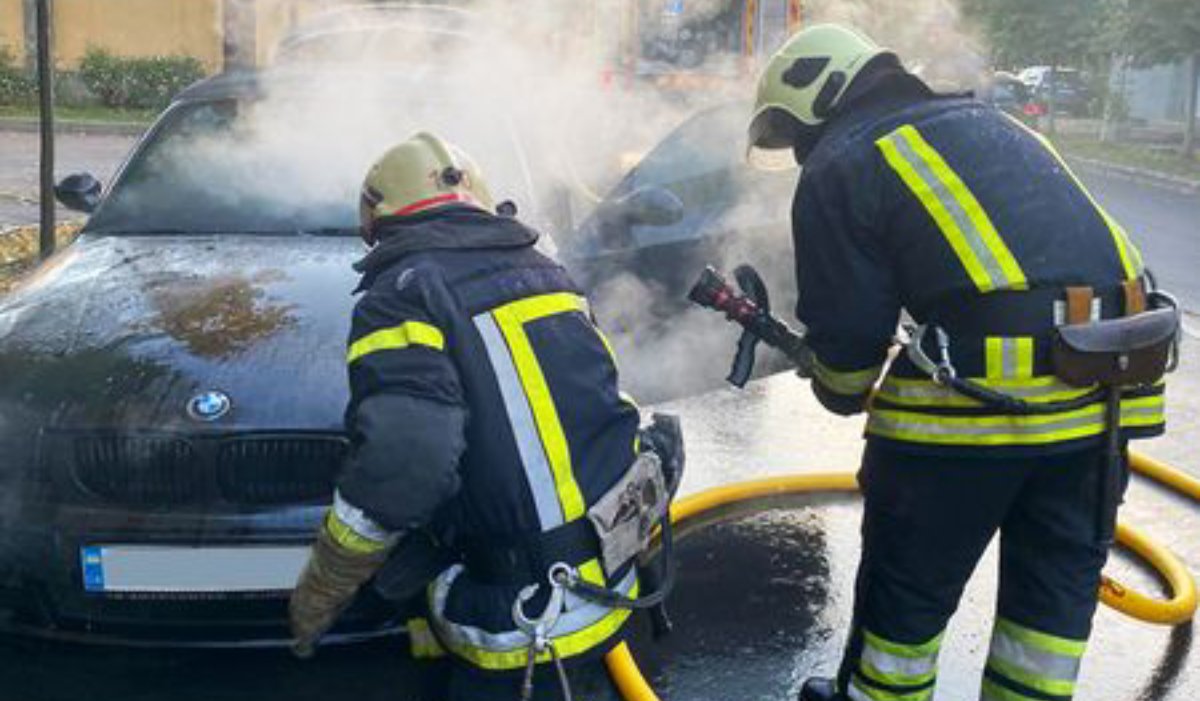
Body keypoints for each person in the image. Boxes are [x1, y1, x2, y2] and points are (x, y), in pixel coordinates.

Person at [746, 24, 1168, 701]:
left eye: (795, 135)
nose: (801, 152)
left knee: (906, 605)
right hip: (1114, 384)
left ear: (818, 98)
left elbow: (848, 362)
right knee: (1048, 614)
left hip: (981, 405)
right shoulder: (994, 123)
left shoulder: (845, 159)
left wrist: (831, 377)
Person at [288, 132, 681, 700]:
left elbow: (406, 466)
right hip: (609, 591)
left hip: (520, 625)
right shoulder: (549, 274)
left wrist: (323, 586)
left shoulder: (402, 297)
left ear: (378, 219)